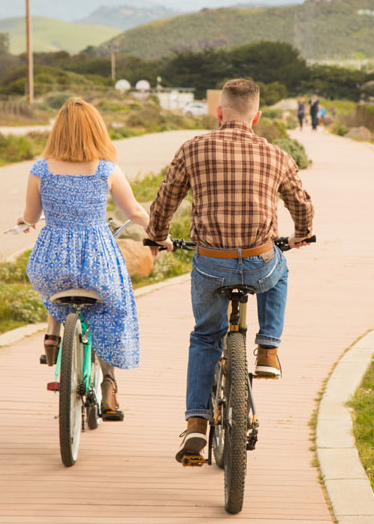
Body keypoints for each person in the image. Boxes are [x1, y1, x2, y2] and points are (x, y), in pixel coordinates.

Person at [146, 79, 314, 464]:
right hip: (259, 261)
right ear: (256, 116)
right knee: (280, 266)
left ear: (219, 112)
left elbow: (165, 201)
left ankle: (195, 424)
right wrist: (301, 234)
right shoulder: (277, 155)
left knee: (206, 337)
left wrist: (158, 237)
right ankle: (268, 349)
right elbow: (302, 205)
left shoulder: (192, 148)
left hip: (210, 264)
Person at [20, 97, 150, 421]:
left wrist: (25, 223)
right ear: (96, 131)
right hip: (97, 262)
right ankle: (109, 382)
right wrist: (159, 229)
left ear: (57, 131)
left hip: (50, 263)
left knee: (57, 287)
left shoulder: (40, 169)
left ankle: (53, 334)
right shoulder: (106, 169)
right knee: (113, 306)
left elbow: (30, 216)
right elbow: (133, 211)